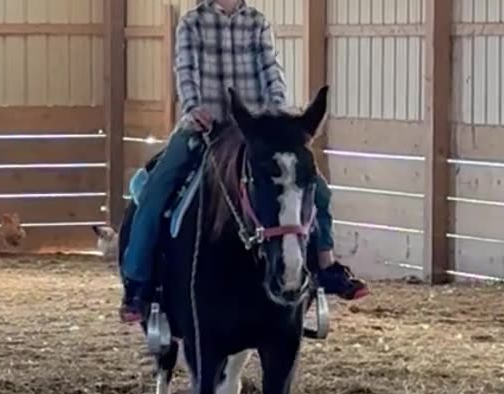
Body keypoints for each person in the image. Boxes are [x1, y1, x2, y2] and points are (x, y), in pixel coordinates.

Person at [118, 0, 369, 323]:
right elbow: (186, 71)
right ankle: (137, 282)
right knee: (157, 189)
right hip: (205, 127)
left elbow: (271, 73)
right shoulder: (193, 22)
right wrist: (194, 107)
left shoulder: (256, 22)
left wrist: (276, 117)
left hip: (255, 133)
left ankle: (327, 266)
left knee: (316, 188)